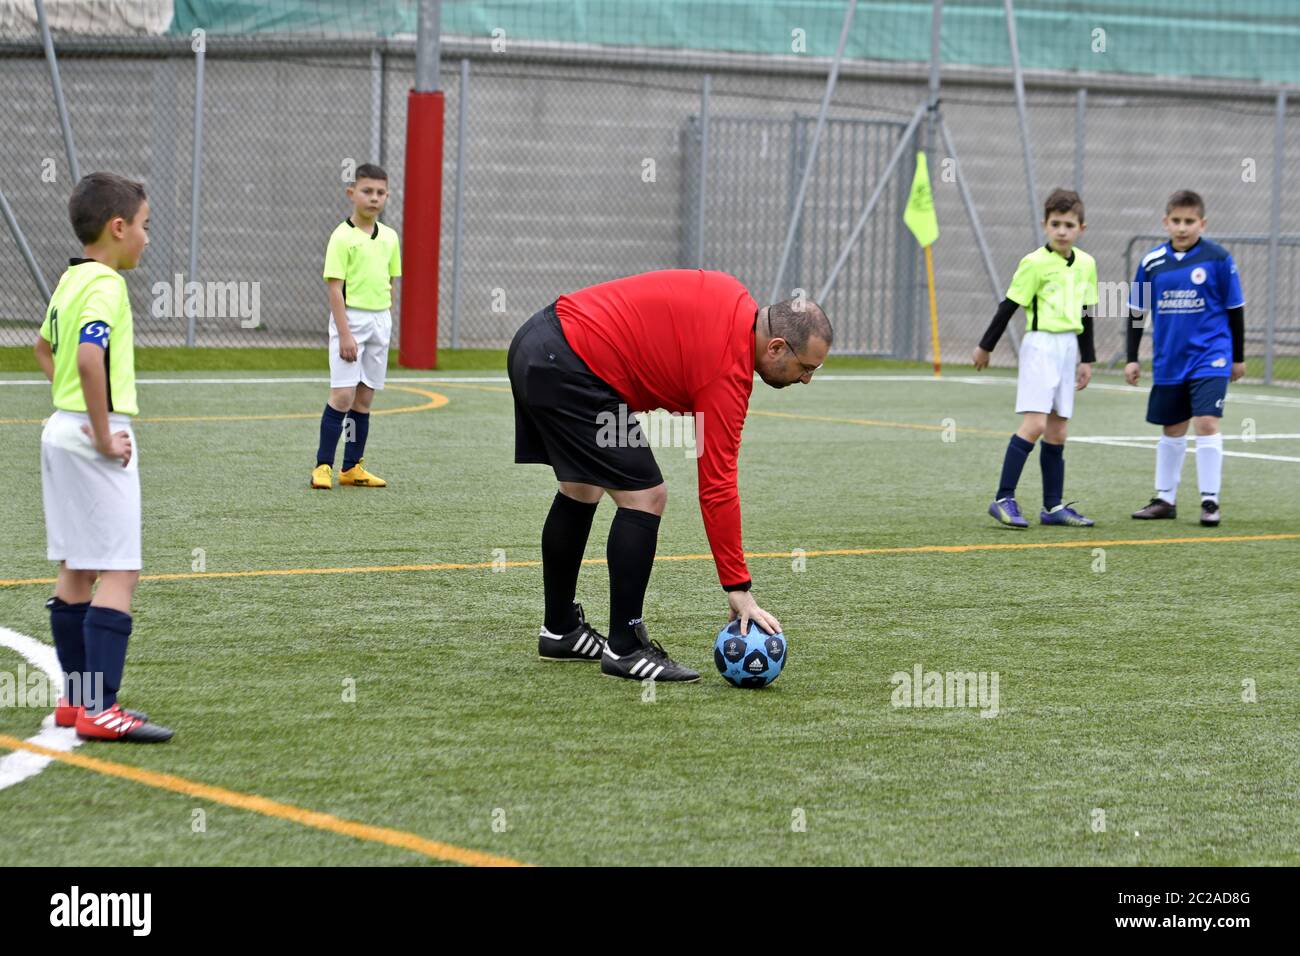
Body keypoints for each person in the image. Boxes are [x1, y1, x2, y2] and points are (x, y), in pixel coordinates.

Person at [508, 269, 832, 682]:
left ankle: (560, 631)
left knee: (582, 486)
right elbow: (717, 486)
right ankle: (625, 648)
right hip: (570, 364)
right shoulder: (727, 373)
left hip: (540, 340)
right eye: (806, 368)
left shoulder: (732, 293)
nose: (806, 379)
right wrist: (737, 586)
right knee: (646, 496)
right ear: (775, 347)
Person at [33, 171, 173, 742]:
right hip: (92, 436)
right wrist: (98, 432)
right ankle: (101, 709)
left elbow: (45, 348)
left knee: (77, 567)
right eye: (144, 226)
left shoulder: (71, 279)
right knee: (120, 569)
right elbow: (90, 359)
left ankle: (76, 700)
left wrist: (71, 409)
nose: (146, 237)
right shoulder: (108, 286)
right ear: (118, 227)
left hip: (59, 431)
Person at [974, 188, 1097, 529]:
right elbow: (1008, 306)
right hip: (1040, 346)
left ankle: (1053, 507)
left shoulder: (1086, 264)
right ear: (1045, 225)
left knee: (1058, 431)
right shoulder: (1034, 263)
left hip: (1068, 348)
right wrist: (986, 346)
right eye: (1055, 224)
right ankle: (1003, 498)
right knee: (1036, 424)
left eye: (1069, 225)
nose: (1062, 231)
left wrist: (1087, 360)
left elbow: (1086, 313)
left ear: (1081, 228)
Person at [1126, 189, 1245, 527]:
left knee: (1206, 421)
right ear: (1166, 222)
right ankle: (1165, 498)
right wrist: (1132, 357)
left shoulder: (1219, 259)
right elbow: (1137, 311)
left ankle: (1210, 501)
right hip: (1169, 358)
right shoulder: (1151, 262)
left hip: (1211, 355)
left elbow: (1235, 310)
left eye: (1189, 221)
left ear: (1202, 223)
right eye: (1176, 221)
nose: (1182, 227)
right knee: (1173, 426)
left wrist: (1237, 356)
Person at [310, 163, 401, 489]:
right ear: (352, 193)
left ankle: (352, 468)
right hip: (351, 319)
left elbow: (390, 282)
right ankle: (322, 466)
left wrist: (386, 320)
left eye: (380, 193)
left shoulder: (390, 237)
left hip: (381, 320)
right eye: (367, 191)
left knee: (364, 400)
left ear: (387, 196)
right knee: (343, 396)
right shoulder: (341, 237)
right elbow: (335, 288)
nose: (373, 198)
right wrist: (345, 332)